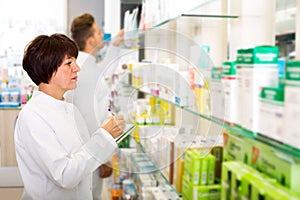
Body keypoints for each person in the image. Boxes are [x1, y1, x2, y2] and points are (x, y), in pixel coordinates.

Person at [14, 33, 125, 200]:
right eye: (69, 63)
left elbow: (84, 157)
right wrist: (104, 135)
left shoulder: (70, 110)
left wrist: (110, 137)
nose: (77, 68)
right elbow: (65, 175)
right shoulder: (32, 117)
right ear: (48, 69)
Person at [65, 13, 124, 199]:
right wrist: (104, 157)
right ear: (90, 41)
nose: (102, 36)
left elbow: (103, 72)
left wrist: (114, 46)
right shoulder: (85, 70)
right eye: (98, 33)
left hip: (82, 151)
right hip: (89, 152)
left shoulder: (82, 64)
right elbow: (90, 117)